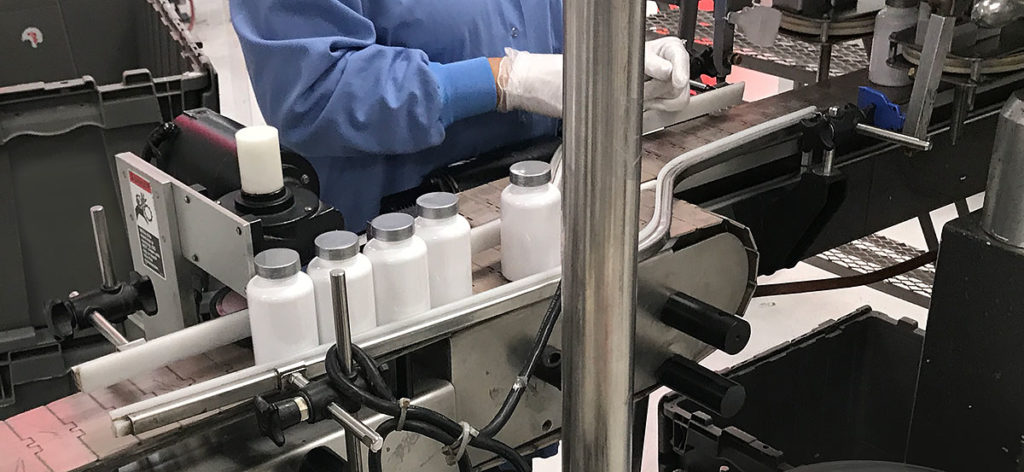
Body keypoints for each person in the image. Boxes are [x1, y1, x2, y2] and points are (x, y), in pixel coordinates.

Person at [231, 0, 691, 227]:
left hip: (554, 210)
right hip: (391, 245)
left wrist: (623, 54)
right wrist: (501, 80)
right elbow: (313, 90)